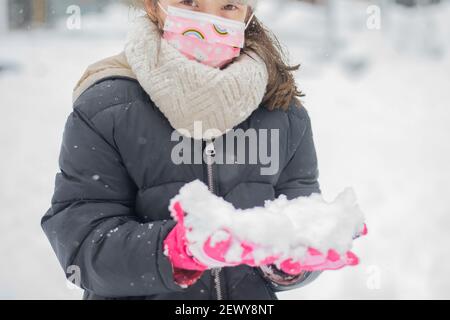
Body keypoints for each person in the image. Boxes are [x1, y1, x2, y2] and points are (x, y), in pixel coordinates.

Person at [41, 0, 322, 300]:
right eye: (189, 2)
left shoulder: (281, 110)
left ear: (248, 13)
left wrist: (291, 256)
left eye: (229, 5)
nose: (210, 21)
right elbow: (83, 244)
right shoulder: (107, 108)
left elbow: (303, 215)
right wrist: (174, 251)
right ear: (153, 6)